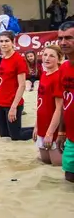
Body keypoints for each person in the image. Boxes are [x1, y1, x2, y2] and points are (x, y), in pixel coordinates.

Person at [32, 46, 63, 166]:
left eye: (51, 56)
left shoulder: (58, 77)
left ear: (59, 59)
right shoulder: (44, 74)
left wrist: (50, 133)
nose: (47, 58)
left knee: (56, 163)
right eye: (45, 55)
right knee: (45, 160)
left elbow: (59, 108)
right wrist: (36, 126)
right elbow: (40, 103)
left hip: (54, 127)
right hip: (42, 123)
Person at [0, 31, 28, 140]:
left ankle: (40, 130)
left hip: (12, 103)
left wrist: (14, 107)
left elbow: (22, 85)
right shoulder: (3, 59)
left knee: (16, 136)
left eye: (6, 41)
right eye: (1, 41)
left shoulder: (18, 60)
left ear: (13, 42)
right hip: (1, 103)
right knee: (4, 135)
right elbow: (0, 83)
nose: (4, 44)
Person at [56, 20, 74, 183]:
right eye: (60, 38)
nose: (63, 42)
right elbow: (64, 102)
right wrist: (61, 132)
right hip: (71, 136)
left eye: (68, 38)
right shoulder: (63, 68)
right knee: (69, 176)